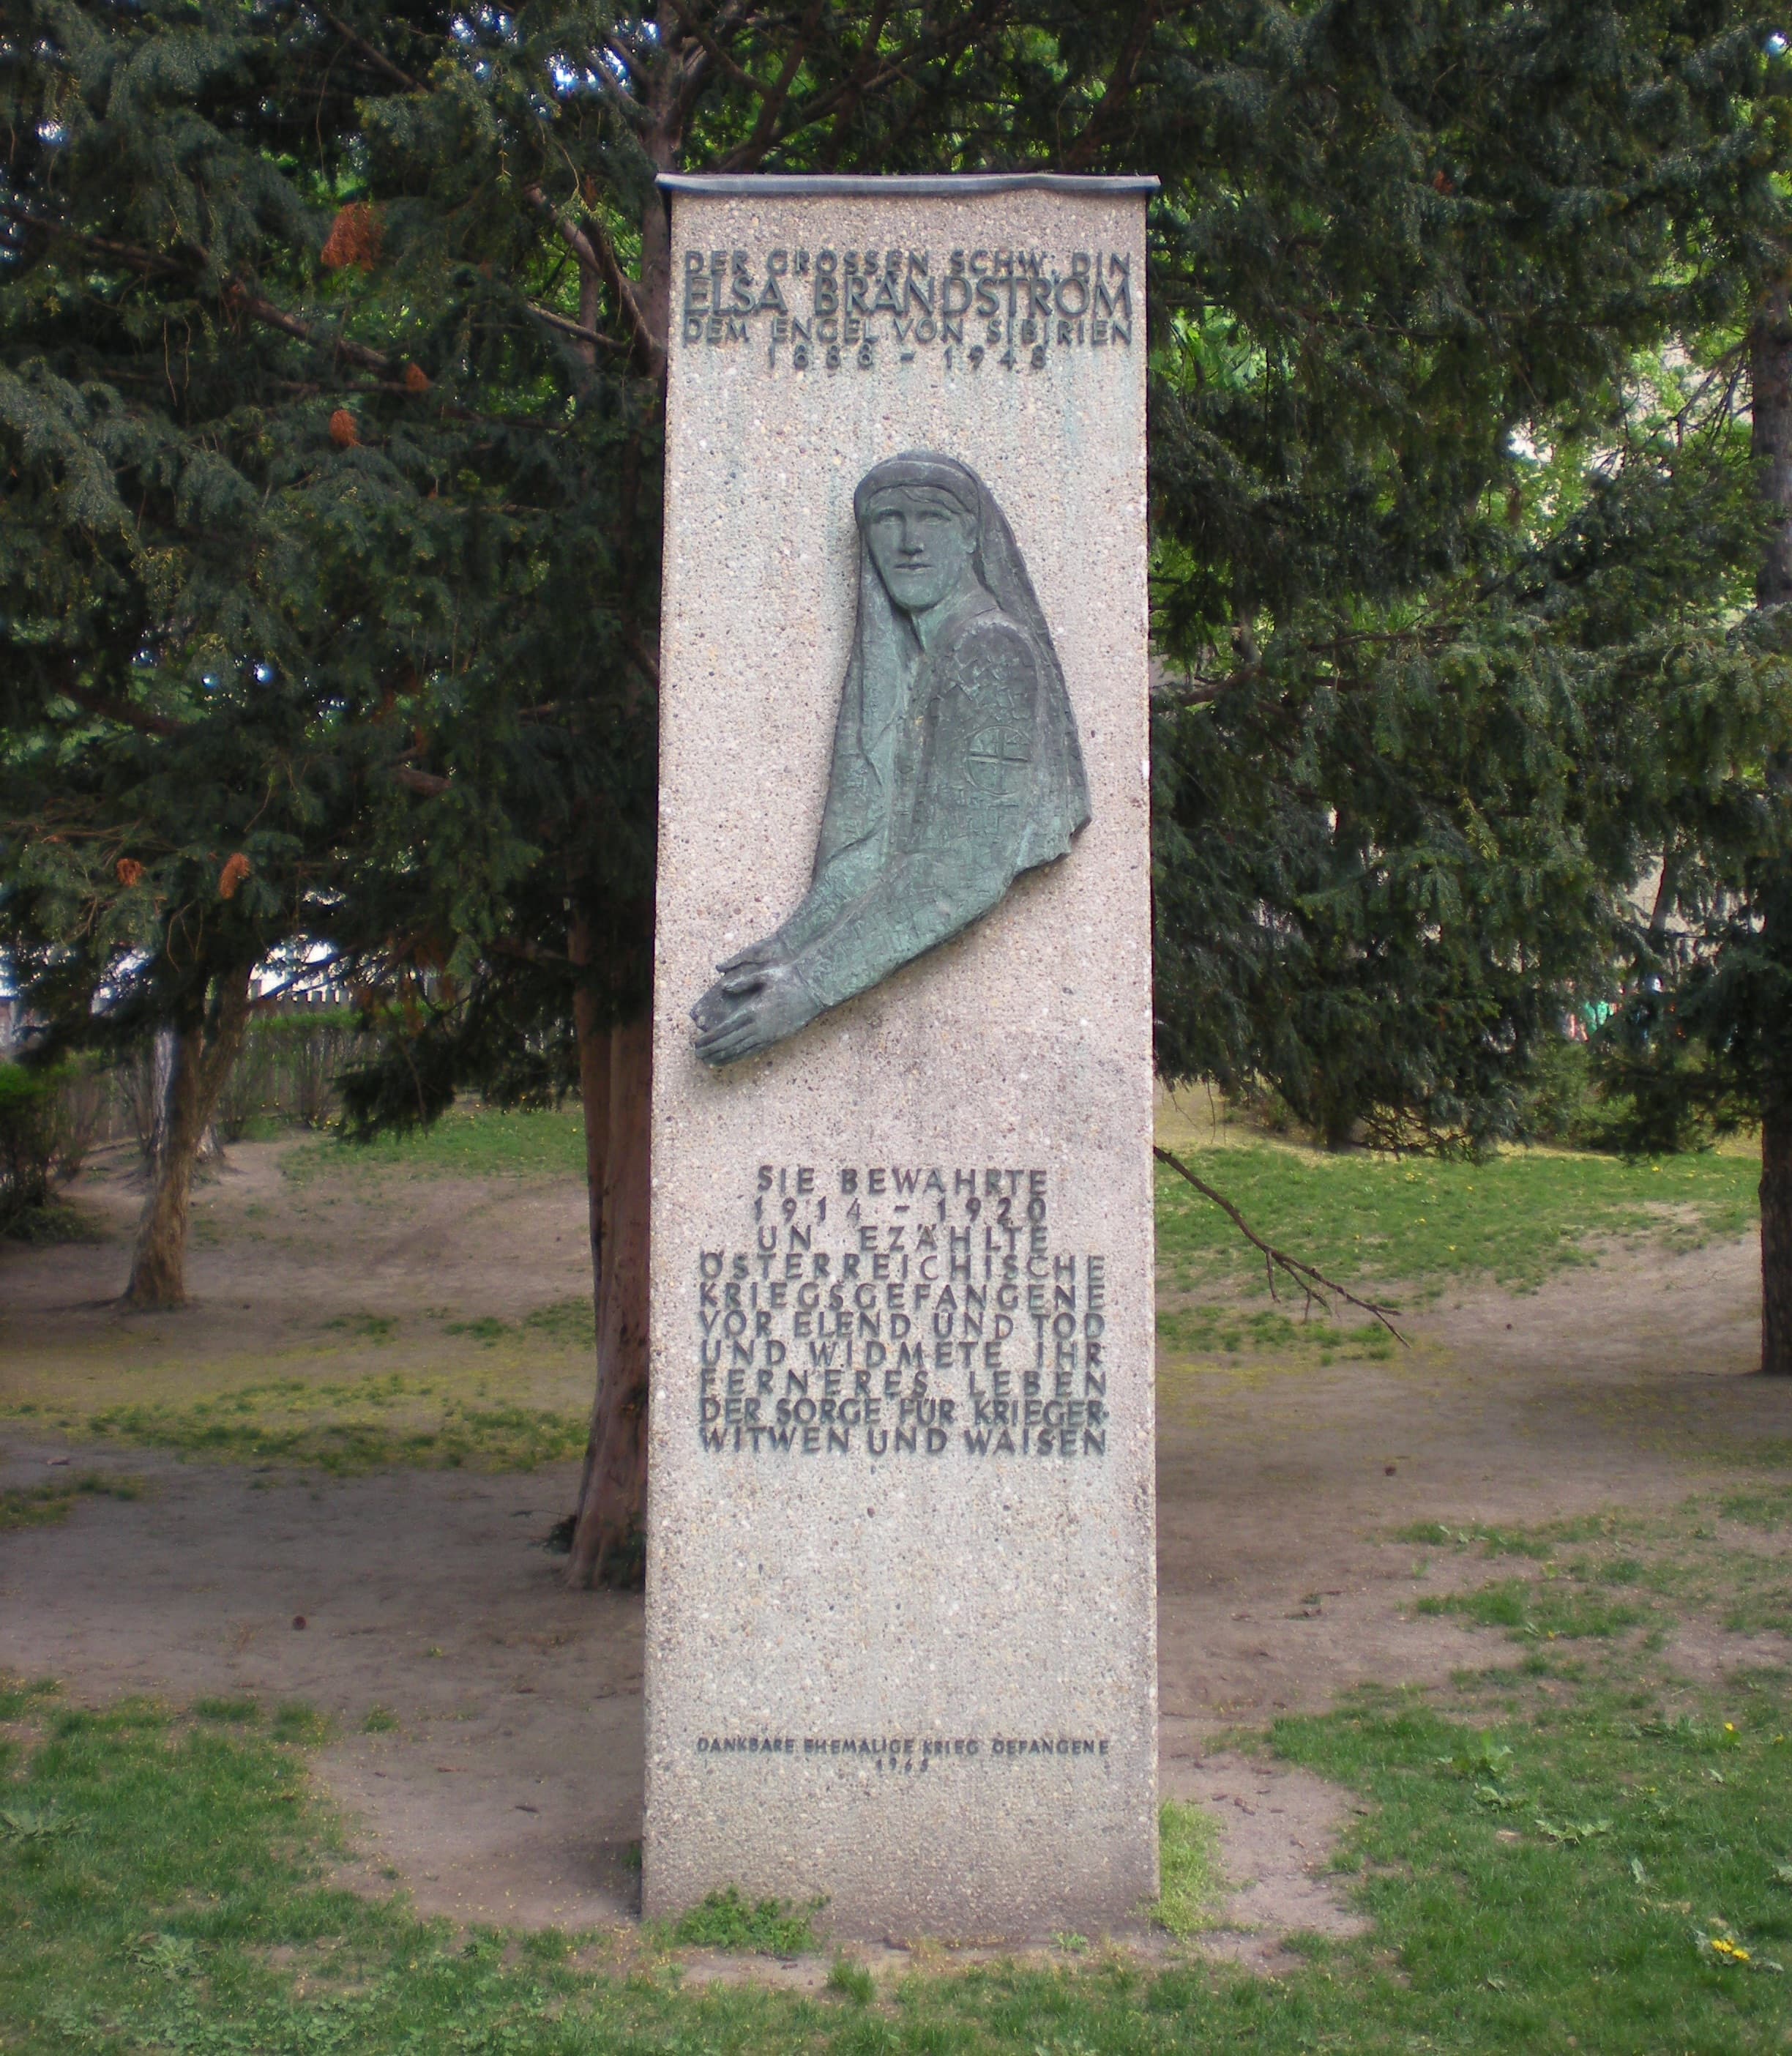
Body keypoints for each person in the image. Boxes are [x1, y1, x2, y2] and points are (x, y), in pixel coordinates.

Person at [691, 450, 1091, 1066]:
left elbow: (958, 871)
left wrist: (806, 988)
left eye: (931, 517)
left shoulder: (990, 652)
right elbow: (877, 847)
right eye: (886, 520)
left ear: (969, 535)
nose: (908, 542)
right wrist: (781, 951)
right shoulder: (926, 655)